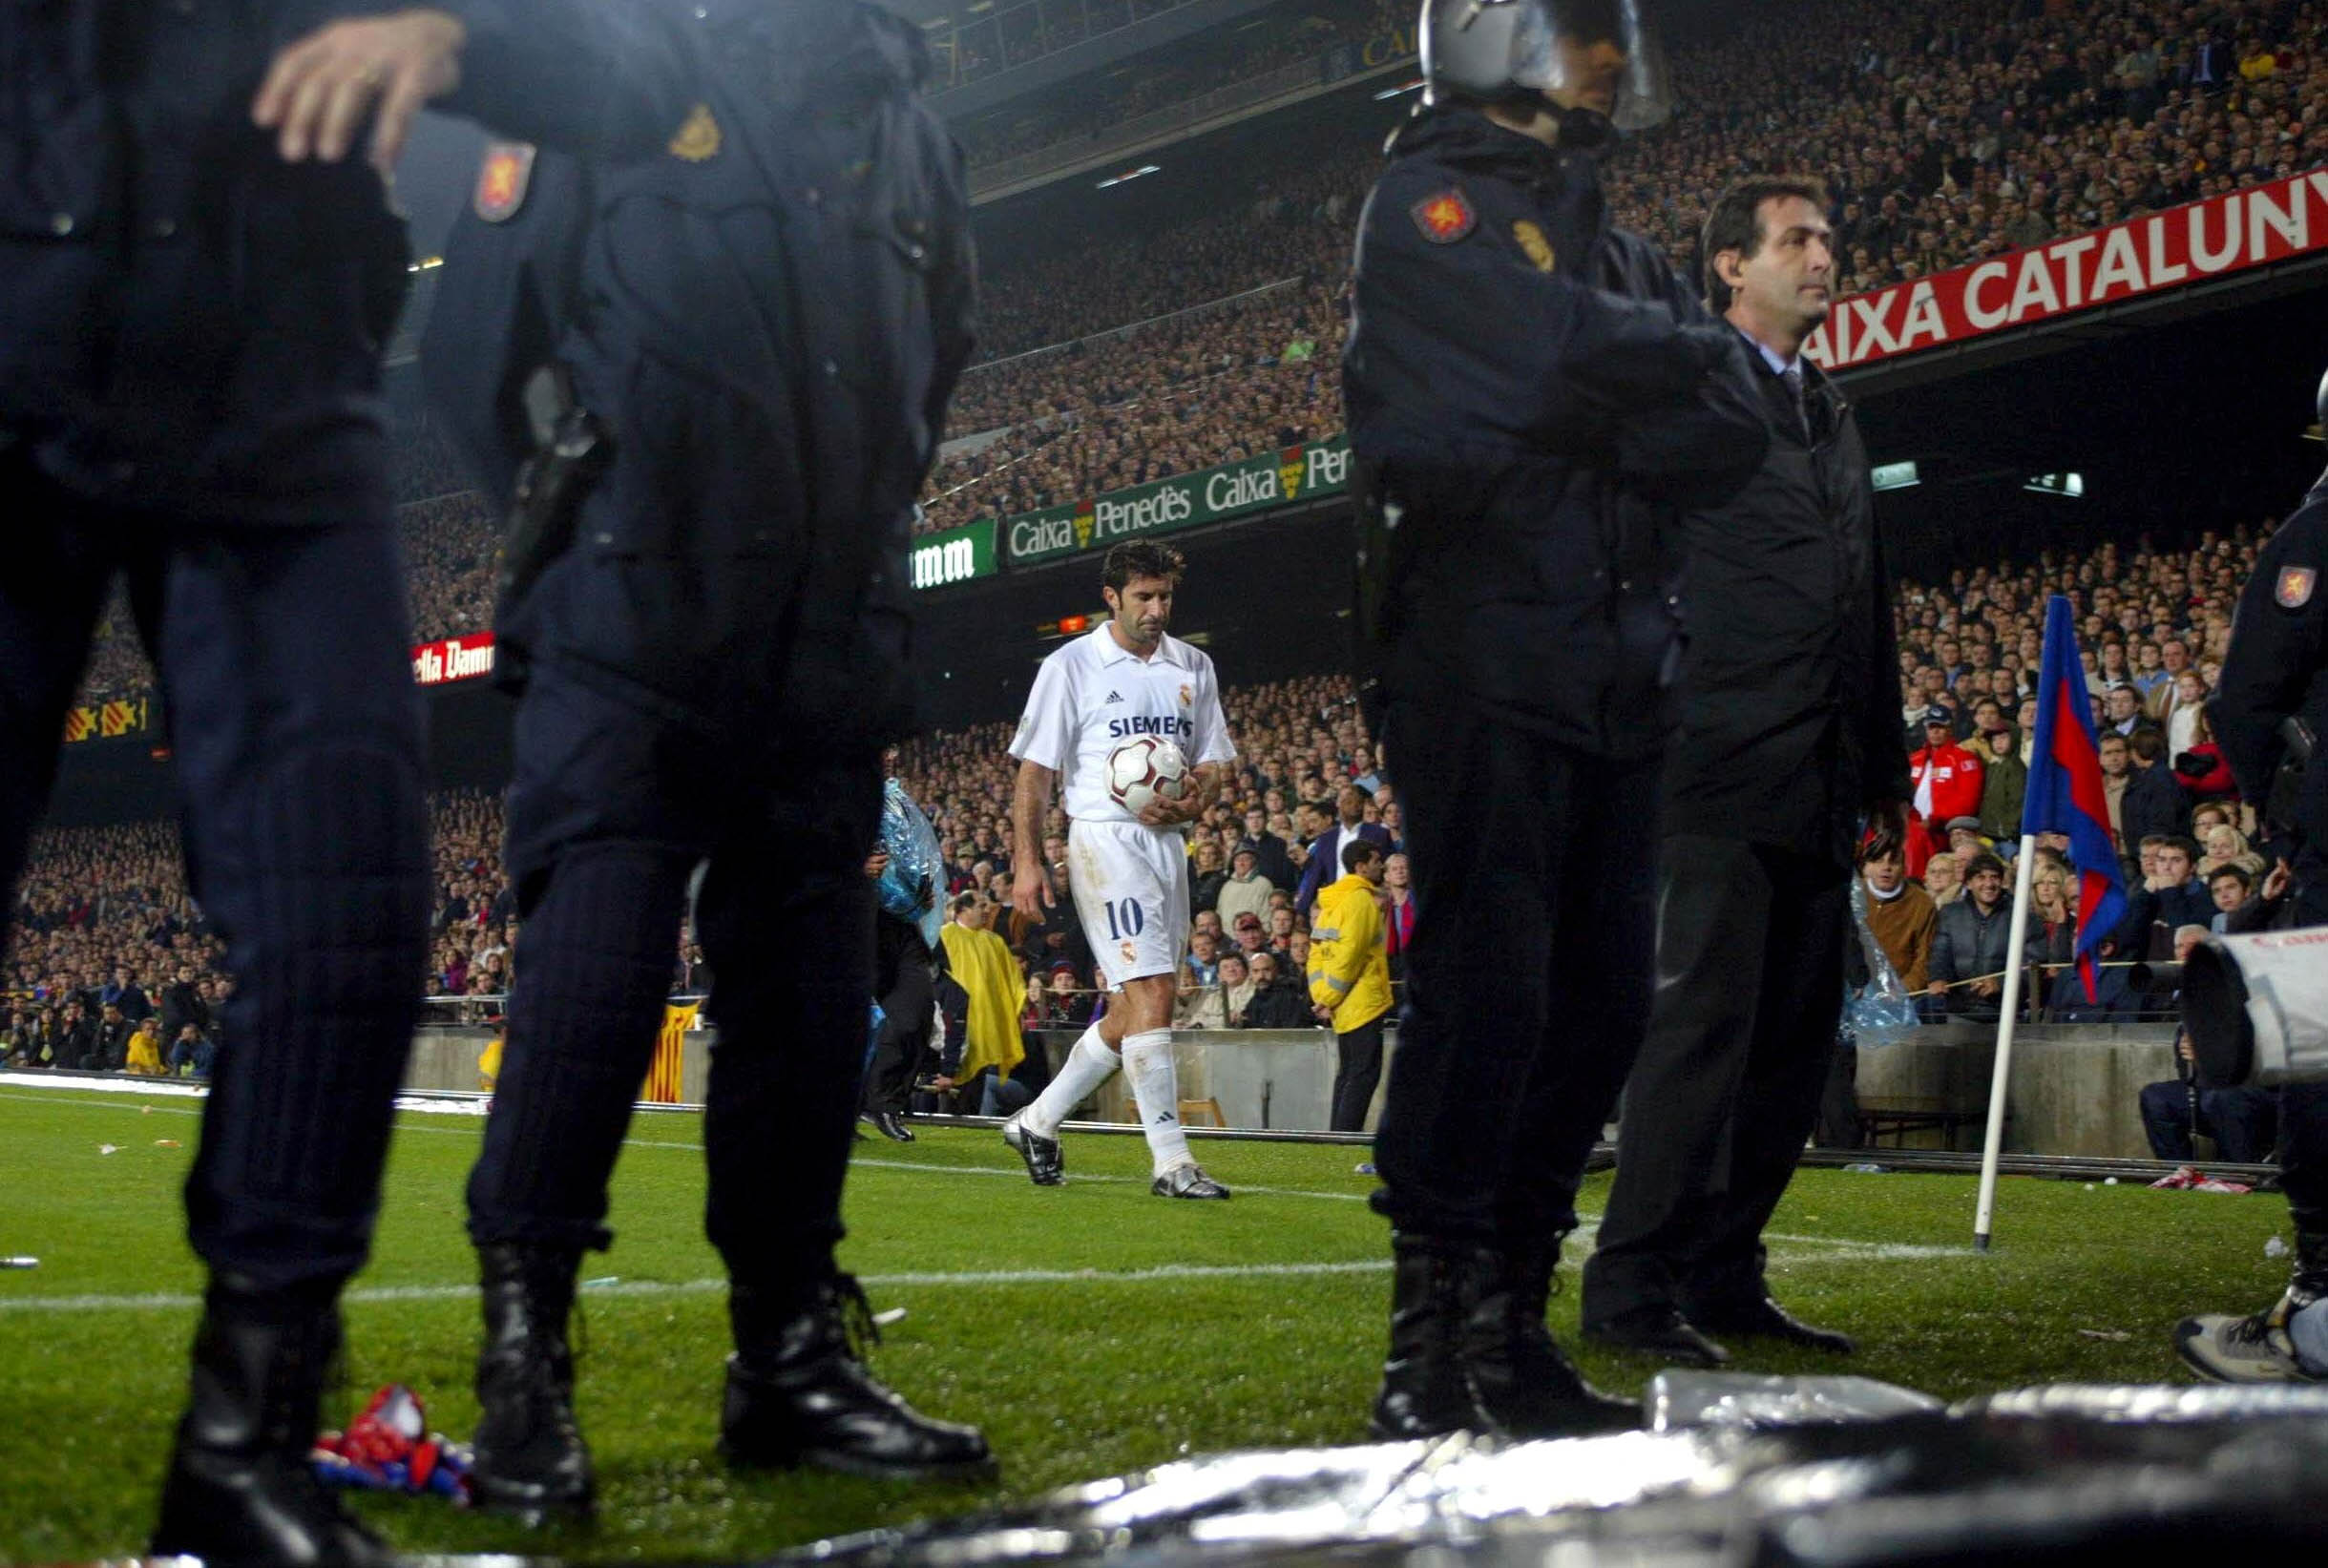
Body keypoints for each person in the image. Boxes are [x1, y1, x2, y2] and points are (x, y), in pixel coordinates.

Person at [423, 0, 990, 1516]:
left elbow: (933, 359)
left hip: (824, 633)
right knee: (595, 972)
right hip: (632, 626)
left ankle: (786, 1353)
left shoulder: (909, 133)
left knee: (806, 996)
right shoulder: (605, 72)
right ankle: (526, 1358)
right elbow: (476, 349)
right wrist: (592, 534)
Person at [1344, 0, 1765, 1440]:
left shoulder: (1616, 245)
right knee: (1486, 994)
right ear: (1492, 38)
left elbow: (1733, 418)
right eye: (1578, 33)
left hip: (1619, 668)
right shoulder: (1425, 203)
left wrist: (1594, 373)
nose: (1606, 61)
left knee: (1597, 1009)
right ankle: (1426, 1349)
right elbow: (1535, 362)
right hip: (1477, 657)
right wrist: (1630, 369)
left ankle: (1510, 1325)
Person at [1583, 176, 1905, 1369]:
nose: (1825, 256)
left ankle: (1724, 1274)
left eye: (1830, 238)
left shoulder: (1831, 409)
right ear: (1730, 264)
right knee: (1698, 1035)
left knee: (1790, 1048)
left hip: (1819, 771)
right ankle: (1630, 1286)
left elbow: (1865, 592)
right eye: (1797, 239)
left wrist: (1882, 762)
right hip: (1709, 766)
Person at [2173, 368, 2328, 1385]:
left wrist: (2284, 810)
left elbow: (2250, 695)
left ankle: (2316, 1308)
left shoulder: (2318, 530)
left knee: (2322, 1057)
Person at [1001, 541, 1238, 1199]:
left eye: (1164, 596)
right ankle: (1171, 1162)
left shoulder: (1192, 665)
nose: (1156, 609)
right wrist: (1027, 860)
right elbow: (1035, 773)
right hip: (1104, 842)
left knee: (1137, 1006)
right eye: (1143, 597)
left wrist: (1198, 797)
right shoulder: (1071, 665)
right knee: (1153, 989)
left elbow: (1214, 760)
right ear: (1111, 597)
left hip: (1168, 844)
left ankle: (1036, 1122)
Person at [1310, 841, 1395, 1133]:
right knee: (1362, 1074)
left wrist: (1322, 995)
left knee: (1348, 1073)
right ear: (1361, 867)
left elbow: (1316, 954)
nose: (1381, 865)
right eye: (1376, 860)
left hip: (1341, 1004)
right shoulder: (1360, 901)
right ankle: (1345, 1138)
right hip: (1362, 1001)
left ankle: (1337, 1138)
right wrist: (1329, 998)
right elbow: (1351, 956)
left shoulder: (1332, 901)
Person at [1927, 853, 2021, 1019]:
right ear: (1969, 883)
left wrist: (2000, 984)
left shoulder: (2020, 915)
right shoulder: (1950, 914)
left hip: (2004, 1013)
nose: (1989, 884)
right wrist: (1939, 978)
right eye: (1981, 878)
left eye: (1994, 877)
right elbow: (1940, 954)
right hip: (1960, 1011)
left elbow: (2031, 965)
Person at [1906, 708, 1983, 877]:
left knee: (1916, 837)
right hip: (1912, 825)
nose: (1935, 732)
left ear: (1950, 729)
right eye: (1931, 727)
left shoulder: (1964, 759)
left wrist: (1934, 819)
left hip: (1942, 830)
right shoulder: (1914, 759)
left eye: (1940, 727)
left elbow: (1967, 803)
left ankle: (1915, 881)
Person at [1293, 784, 1393, 916]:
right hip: (1336, 905)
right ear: (1339, 805)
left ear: (1362, 806)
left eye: (1357, 802)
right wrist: (1300, 912)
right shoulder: (1326, 839)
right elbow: (1315, 877)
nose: (1353, 805)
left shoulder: (1379, 833)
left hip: (1369, 902)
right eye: (1347, 801)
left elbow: (1387, 867)